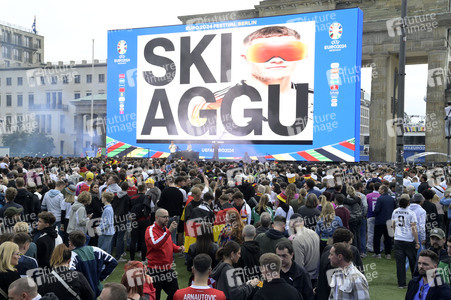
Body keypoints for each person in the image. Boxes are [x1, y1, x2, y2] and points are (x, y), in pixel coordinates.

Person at [145, 208, 184, 300]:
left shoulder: (165, 230)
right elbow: (155, 244)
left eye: (168, 216)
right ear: (157, 217)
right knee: (155, 297)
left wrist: (178, 249)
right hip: (155, 271)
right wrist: (169, 231)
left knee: (176, 295)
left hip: (168, 269)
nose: (167, 219)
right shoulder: (150, 230)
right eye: (164, 217)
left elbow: (169, 244)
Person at [68, 230, 118, 298]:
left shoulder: (72, 255)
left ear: (70, 243)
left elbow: (70, 272)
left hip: (81, 291)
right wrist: (101, 277)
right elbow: (113, 262)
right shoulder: (96, 250)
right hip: (95, 288)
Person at [391, 194, 420, 288]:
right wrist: (417, 241)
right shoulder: (411, 213)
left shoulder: (395, 211)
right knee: (413, 262)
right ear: (408, 203)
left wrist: (394, 235)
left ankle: (401, 283)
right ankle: (415, 282)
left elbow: (392, 225)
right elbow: (413, 228)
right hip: (409, 239)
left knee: (400, 263)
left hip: (398, 239)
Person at [291, 216, 320, 284]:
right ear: (303, 222)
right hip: (316, 275)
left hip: (306, 278)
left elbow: (299, 264)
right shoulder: (314, 233)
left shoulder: (297, 240)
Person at [129, 184, 152, 261]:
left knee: (133, 239)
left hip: (134, 220)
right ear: (145, 189)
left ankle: (132, 258)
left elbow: (129, 208)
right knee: (143, 239)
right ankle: (143, 258)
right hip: (144, 220)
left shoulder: (132, 197)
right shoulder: (147, 197)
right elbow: (151, 207)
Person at [373, 184, 394, 259]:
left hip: (380, 221)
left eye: (379, 189)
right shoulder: (391, 198)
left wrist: (375, 213)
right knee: (388, 238)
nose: (378, 190)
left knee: (377, 237)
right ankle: (388, 253)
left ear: (383, 190)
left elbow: (377, 210)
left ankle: (377, 253)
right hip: (389, 220)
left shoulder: (380, 199)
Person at [112, 181, 131, 261]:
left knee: (115, 236)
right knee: (120, 237)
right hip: (123, 218)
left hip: (115, 217)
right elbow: (128, 208)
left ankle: (112, 253)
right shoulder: (126, 197)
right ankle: (118, 256)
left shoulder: (115, 196)